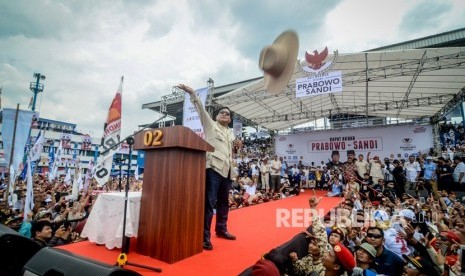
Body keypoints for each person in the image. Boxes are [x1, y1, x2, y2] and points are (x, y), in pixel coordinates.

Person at [177, 84, 236, 251]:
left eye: (228, 114)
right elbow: (200, 109)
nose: (225, 115)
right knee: (209, 203)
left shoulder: (230, 133)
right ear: (216, 116)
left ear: (230, 119)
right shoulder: (210, 125)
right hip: (213, 168)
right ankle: (204, 237)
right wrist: (192, 93)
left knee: (224, 202)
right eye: (222, 113)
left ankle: (221, 229)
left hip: (227, 170)